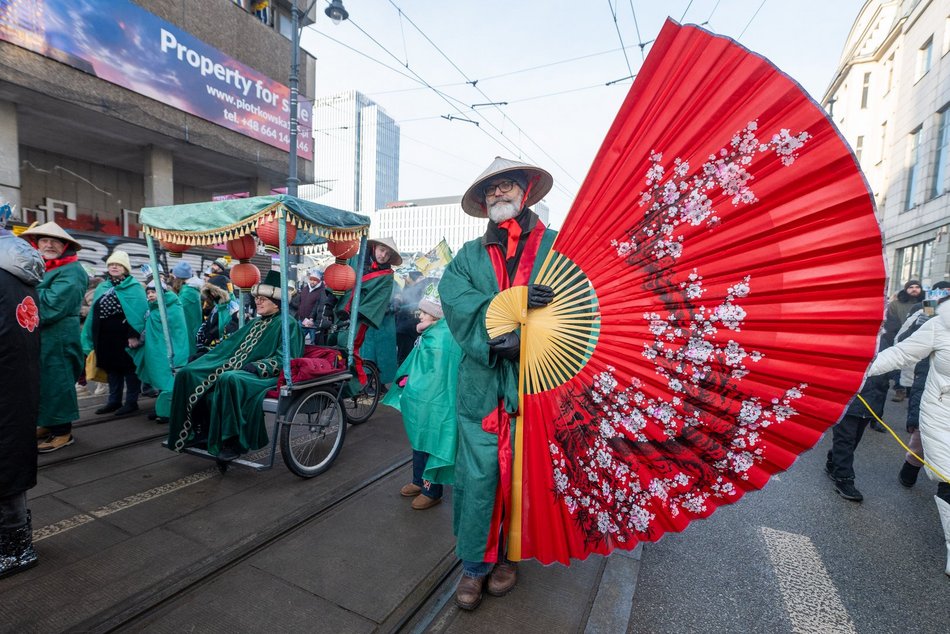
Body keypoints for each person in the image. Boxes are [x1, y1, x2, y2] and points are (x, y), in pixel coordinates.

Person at [439, 157, 556, 610]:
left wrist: (528, 335)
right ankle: (474, 566)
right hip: (482, 382)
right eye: (491, 190)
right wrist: (498, 333)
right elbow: (456, 300)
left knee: (525, 474)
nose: (498, 195)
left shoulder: (557, 249)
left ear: (525, 192)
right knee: (479, 474)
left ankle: (512, 555)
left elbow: (578, 305)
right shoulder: (468, 256)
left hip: (537, 382)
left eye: (506, 186)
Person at [166, 270, 303, 461]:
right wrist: (206, 354)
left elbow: (288, 359)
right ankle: (197, 431)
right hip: (240, 367)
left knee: (229, 378)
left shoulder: (289, 324)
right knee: (187, 373)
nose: (258, 302)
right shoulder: (256, 322)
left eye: (263, 298)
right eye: (257, 298)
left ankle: (232, 442)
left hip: (268, 376)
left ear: (277, 302)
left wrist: (260, 366)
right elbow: (230, 346)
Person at [867, 296, 950, 576]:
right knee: (949, 479)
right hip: (942, 413)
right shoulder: (940, 325)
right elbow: (901, 353)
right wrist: (860, 371)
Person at [383, 287, 462, 510]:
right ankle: (419, 480)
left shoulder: (442, 337)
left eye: (424, 313)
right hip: (424, 399)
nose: (420, 315)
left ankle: (432, 490)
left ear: (435, 315)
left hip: (437, 401)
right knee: (420, 440)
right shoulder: (431, 332)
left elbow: (437, 375)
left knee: (432, 442)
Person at [20, 222, 88, 453]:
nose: (48, 245)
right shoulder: (43, 267)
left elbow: (52, 305)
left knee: (58, 382)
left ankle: (62, 432)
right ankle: (49, 423)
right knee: (44, 382)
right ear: (36, 244)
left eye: (54, 241)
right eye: (43, 241)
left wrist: (21, 293)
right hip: (42, 336)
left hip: (59, 336)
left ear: (64, 245)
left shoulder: (72, 270)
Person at [0, 235, 44, 578]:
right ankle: (15, 543)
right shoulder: (16, 274)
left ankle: (15, 548)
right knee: (9, 454)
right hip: (17, 383)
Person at [893, 281, 950, 487]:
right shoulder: (923, 309)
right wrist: (921, 324)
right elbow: (901, 341)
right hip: (928, 376)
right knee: (923, 433)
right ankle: (911, 466)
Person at [81, 250, 148, 417]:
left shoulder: (135, 287)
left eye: (118, 264)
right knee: (112, 369)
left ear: (125, 268)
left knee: (129, 369)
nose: (114, 267)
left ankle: (131, 402)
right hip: (105, 337)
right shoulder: (103, 287)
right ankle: (114, 401)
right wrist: (90, 335)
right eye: (111, 265)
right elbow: (94, 313)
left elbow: (141, 313)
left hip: (125, 337)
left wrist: (134, 334)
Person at [338, 237, 401, 385]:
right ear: (374, 248)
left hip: (381, 322)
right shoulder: (356, 264)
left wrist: (396, 302)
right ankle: (362, 382)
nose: (383, 255)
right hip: (360, 317)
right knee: (362, 352)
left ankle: (378, 383)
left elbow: (395, 295)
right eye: (381, 250)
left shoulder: (388, 276)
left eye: (387, 253)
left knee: (384, 355)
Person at [130, 280, 190, 423]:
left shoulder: (172, 308)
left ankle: (167, 412)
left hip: (172, 351)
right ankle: (162, 409)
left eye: (153, 292)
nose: (150, 295)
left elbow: (176, 330)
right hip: (159, 350)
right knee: (162, 380)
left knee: (168, 381)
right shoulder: (155, 309)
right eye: (148, 293)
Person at [881, 279, 924, 403]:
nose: (914, 289)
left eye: (917, 287)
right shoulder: (896, 304)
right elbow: (891, 323)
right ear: (906, 289)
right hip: (900, 339)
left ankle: (912, 392)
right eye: (911, 287)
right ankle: (899, 390)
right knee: (898, 367)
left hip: (920, 340)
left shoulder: (926, 304)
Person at [195, 274, 240, 354]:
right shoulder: (218, 306)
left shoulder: (232, 308)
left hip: (223, 352)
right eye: (210, 291)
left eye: (214, 291)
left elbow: (231, 335)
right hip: (213, 348)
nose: (212, 294)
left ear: (222, 292)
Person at [291, 268, 335, 345]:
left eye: (315, 280)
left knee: (313, 342)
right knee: (297, 339)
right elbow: (300, 302)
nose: (312, 281)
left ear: (319, 281)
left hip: (313, 322)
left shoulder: (322, 291)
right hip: (301, 319)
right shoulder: (305, 289)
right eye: (311, 279)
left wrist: (311, 318)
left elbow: (317, 306)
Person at [169, 261, 203, 359]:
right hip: (191, 331)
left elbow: (174, 309)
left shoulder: (188, 292)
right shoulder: (190, 290)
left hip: (189, 333)